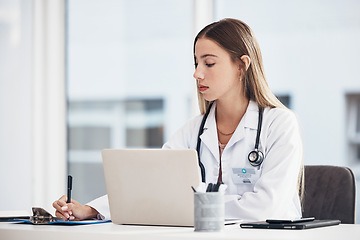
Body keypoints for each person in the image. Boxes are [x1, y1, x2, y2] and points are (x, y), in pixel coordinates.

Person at [53, 18, 304, 222]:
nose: (197, 73)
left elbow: (265, 208)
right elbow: (150, 186)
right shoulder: (194, 130)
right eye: (196, 62)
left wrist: (189, 206)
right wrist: (91, 210)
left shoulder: (279, 125)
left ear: (241, 66)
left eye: (209, 63)